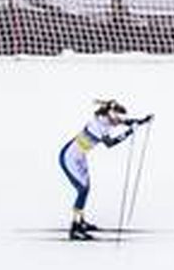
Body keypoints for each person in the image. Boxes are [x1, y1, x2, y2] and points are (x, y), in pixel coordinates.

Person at [58, 98, 151, 240]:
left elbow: (126, 121)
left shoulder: (107, 119)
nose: (118, 121)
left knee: (85, 189)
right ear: (110, 114)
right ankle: (75, 228)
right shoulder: (98, 125)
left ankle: (81, 221)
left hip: (80, 157)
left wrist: (143, 121)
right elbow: (110, 143)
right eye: (117, 118)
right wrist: (129, 132)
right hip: (70, 158)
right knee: (82, 190)